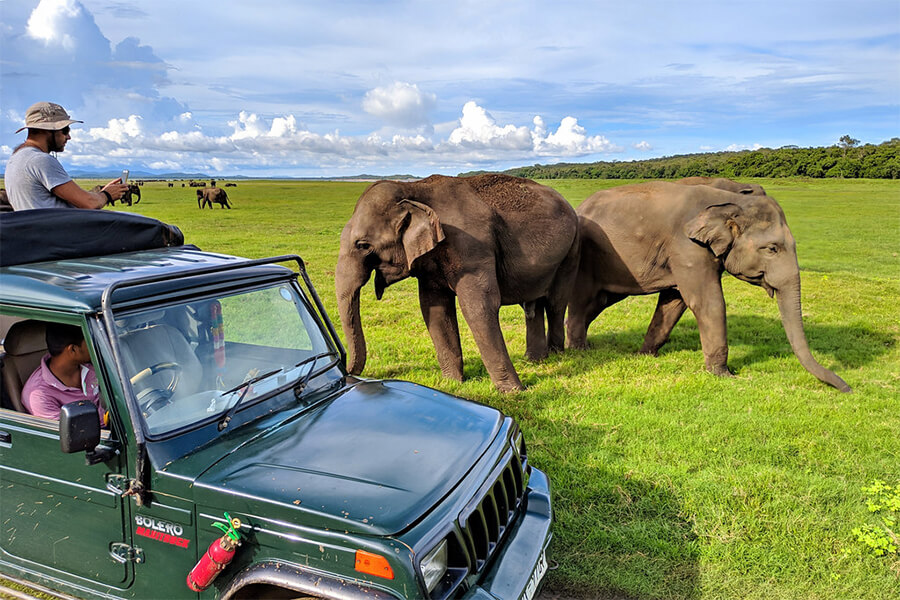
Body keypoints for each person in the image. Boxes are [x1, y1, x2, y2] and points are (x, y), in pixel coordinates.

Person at [4, 101, 128, 210]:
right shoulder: (40, 160)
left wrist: (101, 193)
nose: (68, 136)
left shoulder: (16, 158)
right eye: (65, 130)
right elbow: (89, 204)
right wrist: (107, 195)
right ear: (46, 130)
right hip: (59, 232)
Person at [21, 322, 106, 424]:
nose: (95, 347)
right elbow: (72, 434)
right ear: (73, 349)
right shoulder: (39, 395)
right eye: (90, 342)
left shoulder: (93, 365)